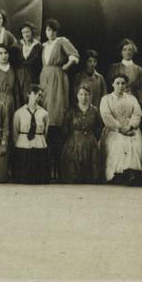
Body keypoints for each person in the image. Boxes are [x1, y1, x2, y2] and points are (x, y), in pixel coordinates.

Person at [39, 19, 79, 179]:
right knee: (44, 108)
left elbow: (75, 56)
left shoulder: (62, 41)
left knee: (56, 112)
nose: (51, 33)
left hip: (57, 77)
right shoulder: (43, 45)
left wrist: (65, 67)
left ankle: (58, 168)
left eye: (53, 30)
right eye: (48, 30)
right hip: (45, 76)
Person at [100, 75, 142, 182]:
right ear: (112, 84)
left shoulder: (131, 98)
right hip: (113, 129)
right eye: (117, 83)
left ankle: (132, 173)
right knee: (118, 144)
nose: (120, 86)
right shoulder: (106, 99)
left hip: (131, 128)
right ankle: (116, 174)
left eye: (123, 83)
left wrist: (130, 126)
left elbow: (137, 114)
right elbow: (106, 116)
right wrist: (120, 129)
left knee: (135, 144)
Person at [61, 85, 103, 183]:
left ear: (90, 96)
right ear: (77, 96)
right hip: (74, 141)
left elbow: (99, 127)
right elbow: (65, 128)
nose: (84, 97)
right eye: (81, 94)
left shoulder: (94, 111)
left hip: (90, 141)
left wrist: (92, 139)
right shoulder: (72, 110)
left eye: (86, 94)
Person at [12, 85, 50, 184]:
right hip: (24, 144)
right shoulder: (19, 113)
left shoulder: (44, 113)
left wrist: (39, 139)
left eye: (41, 96)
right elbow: (15, 131)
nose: (38, 97)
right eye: (36, 94)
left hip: (38, 143)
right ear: (29, 94)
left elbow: (45, 131)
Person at [107, 39, 142, 109]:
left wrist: (140, 104)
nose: (128, 52)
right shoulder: (114, 68)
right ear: (121, 52)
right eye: (125, 50)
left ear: (133, 52)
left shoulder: (138, 69)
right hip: (116, 102)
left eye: (130, 50)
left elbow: (141, 89)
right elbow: (109, 87)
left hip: (132, 102)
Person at [14, 22, 42, 93]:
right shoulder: (17, 45)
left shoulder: (39, 47)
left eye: (27, 32)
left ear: (32, 32)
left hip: (33, 76)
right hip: (19, 76)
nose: (26, 34)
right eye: (23, 33)